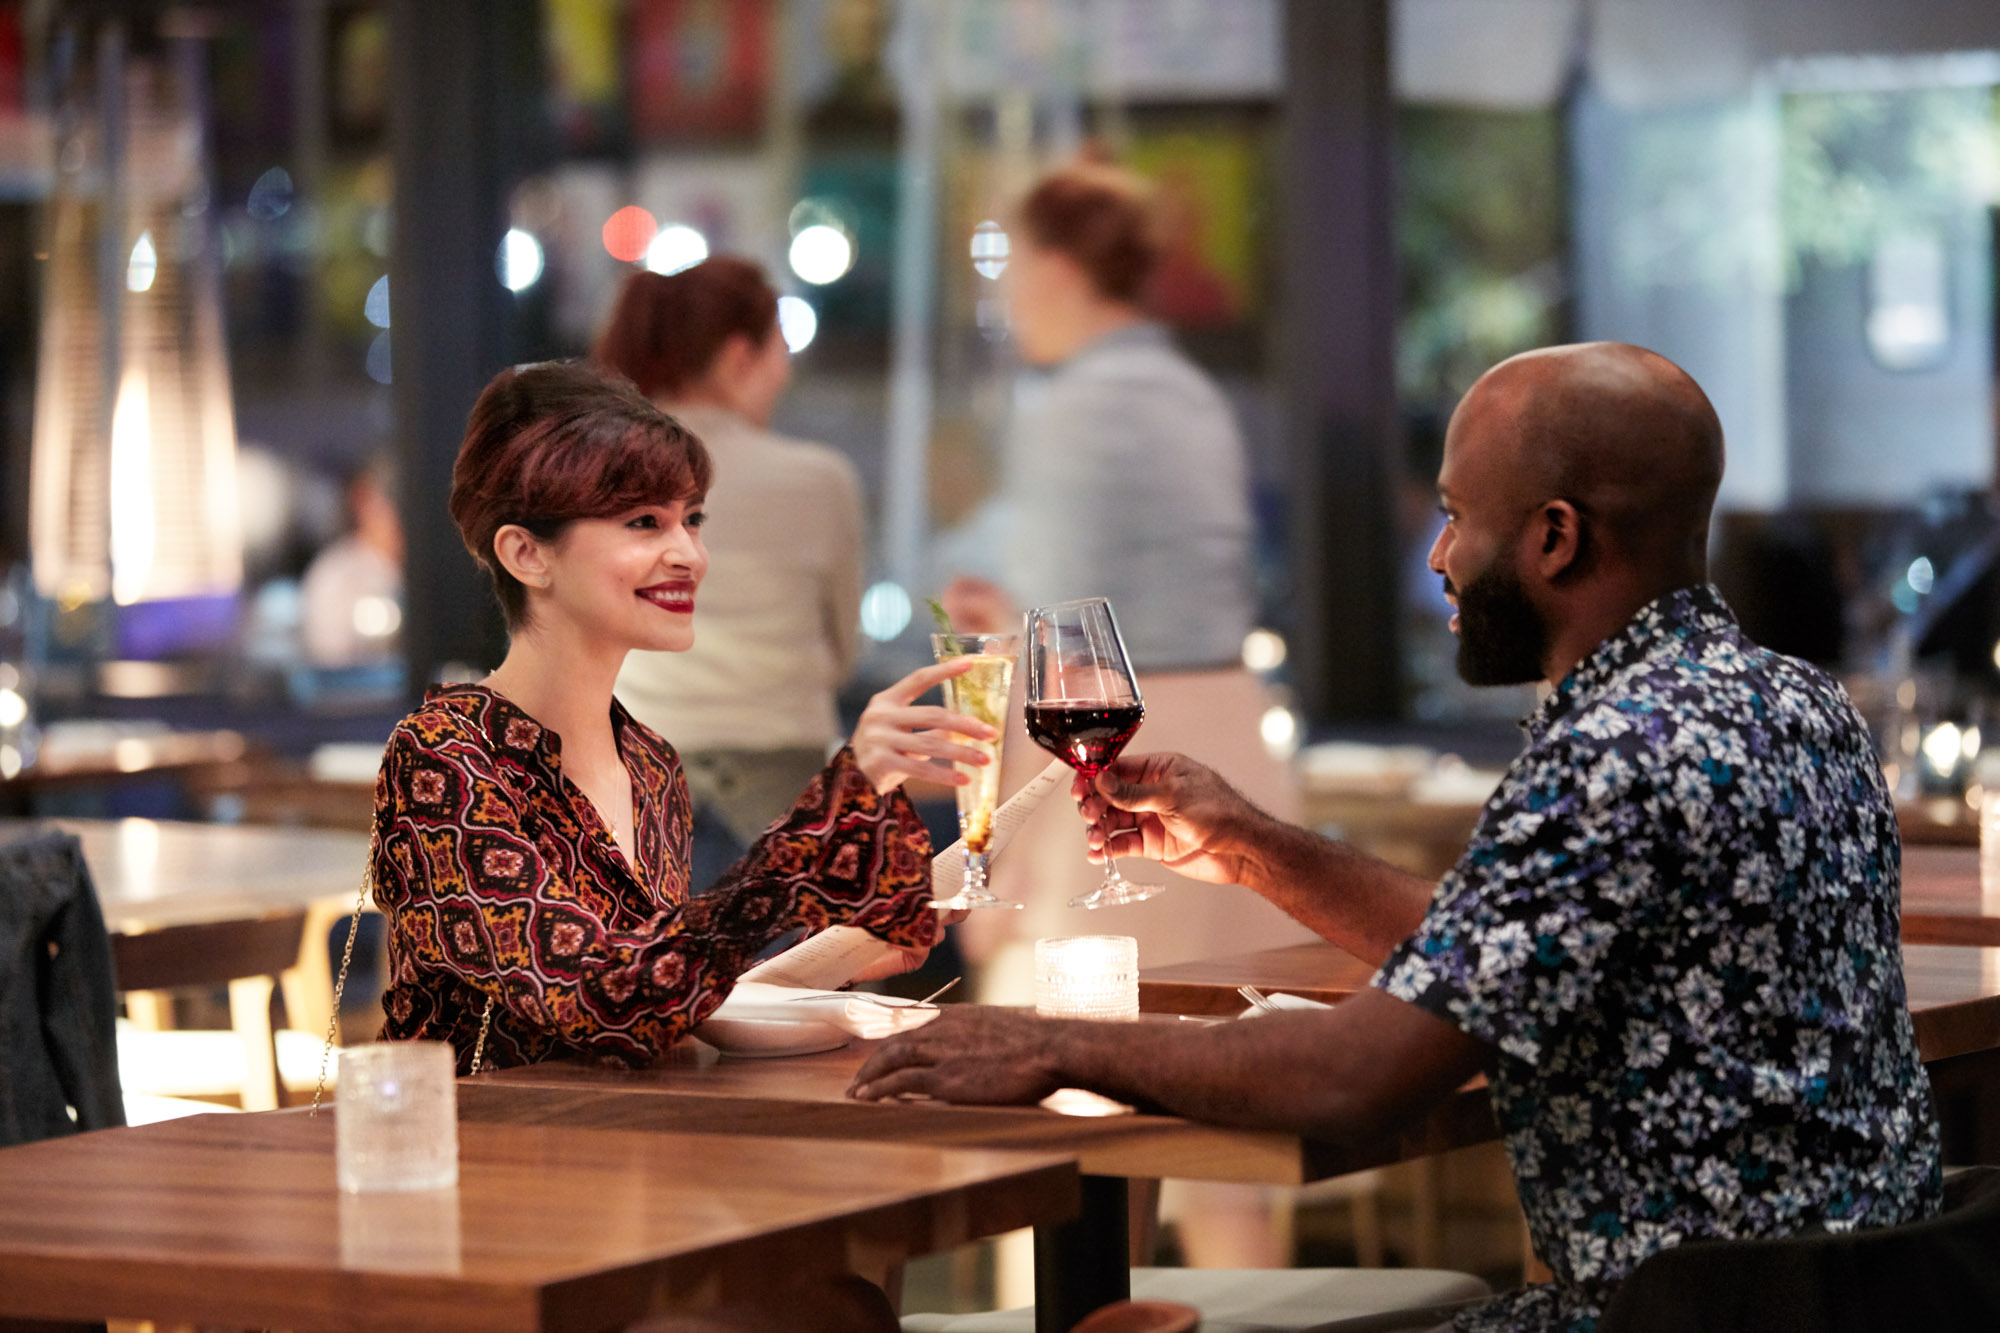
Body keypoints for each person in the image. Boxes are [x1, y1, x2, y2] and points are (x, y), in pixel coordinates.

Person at [854, 343, 1943, 1331]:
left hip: (1673, 1315)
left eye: (1457, 515)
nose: (1436, 556)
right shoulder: (1796, 705)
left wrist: (1047, 1042)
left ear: (1554, 539)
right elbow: (1503, 951)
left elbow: (1355, 1079)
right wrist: (1249, 845)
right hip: (1855, 1296)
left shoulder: (1614, 751)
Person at [371, 361, 993, 1074]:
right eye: (644, 522)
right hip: (481, 1162)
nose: (690, 555)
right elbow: (608, 1001)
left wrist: (849, 947)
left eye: (690, 520)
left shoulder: (648, 761)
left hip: (632, 1159)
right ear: (526, 553)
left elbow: (666, 995)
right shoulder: (446, 757)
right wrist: (822, 820)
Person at [593, 258, 864, 885]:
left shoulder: (597, 473)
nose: (785, 372)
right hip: (788, 806)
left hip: (631, 802)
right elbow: (841, 653)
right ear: (741, 356)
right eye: (779, 351)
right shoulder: (819, 481)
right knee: (795, 982)